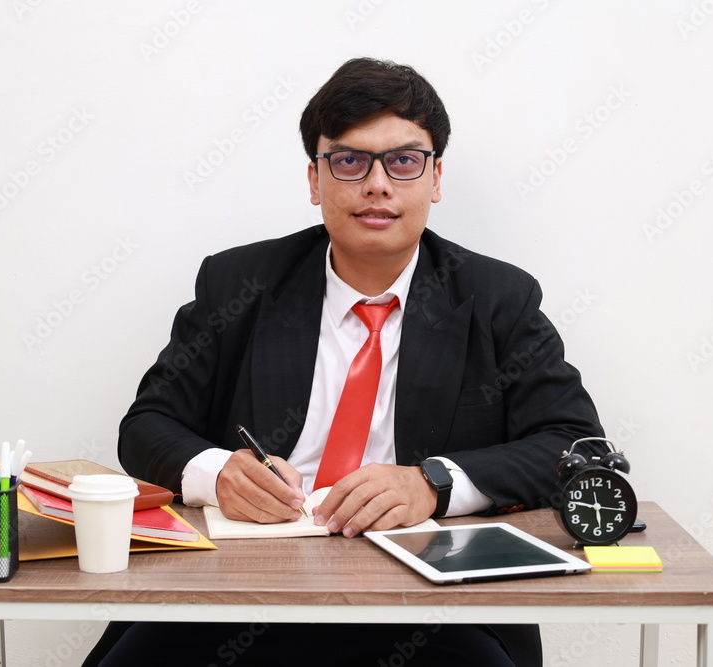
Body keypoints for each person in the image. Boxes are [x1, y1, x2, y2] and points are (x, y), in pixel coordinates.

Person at [85, 57, 605, 667]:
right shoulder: (239, 282)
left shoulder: (497, 298)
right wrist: (219, 470)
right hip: (238, 589)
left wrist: (432, 484)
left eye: (404, 161)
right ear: (315, 180)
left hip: (427, 601)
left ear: (436, 178)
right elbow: (146, 425)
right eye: (350, 161)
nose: (378, 185)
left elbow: (572, 444)